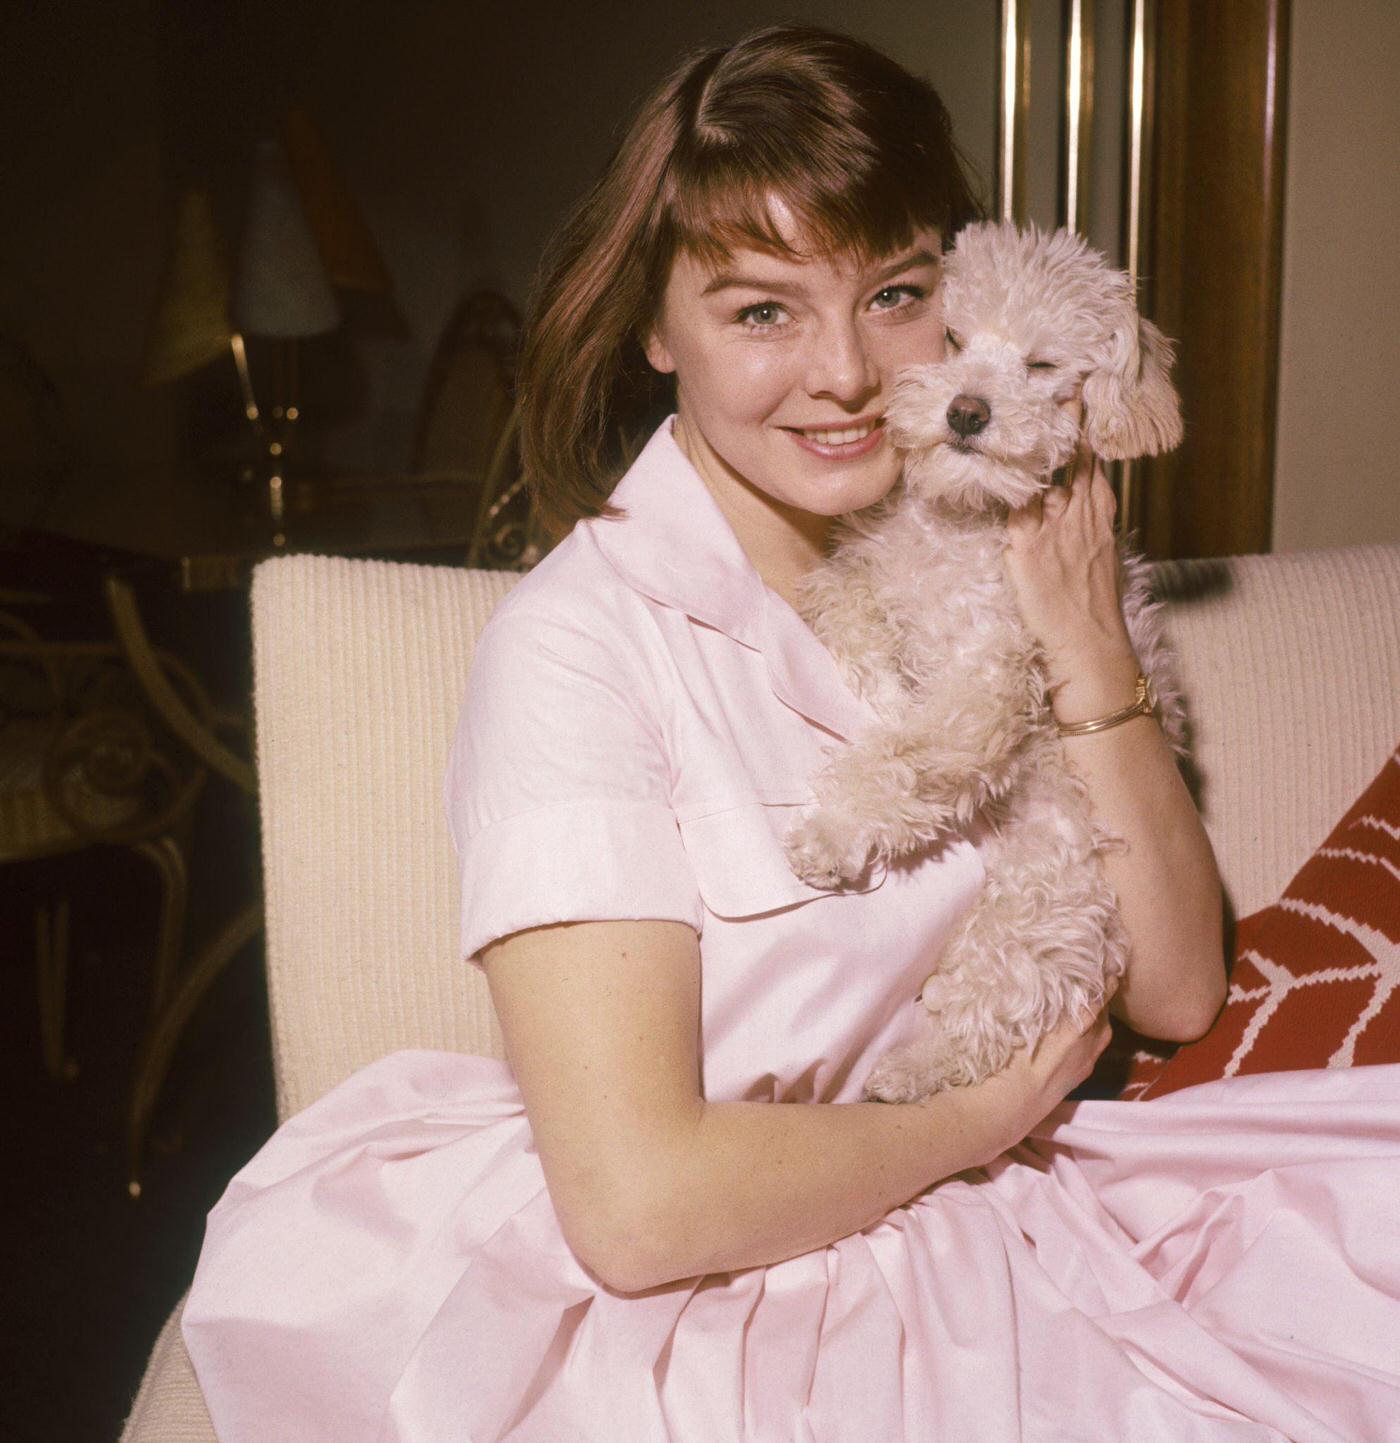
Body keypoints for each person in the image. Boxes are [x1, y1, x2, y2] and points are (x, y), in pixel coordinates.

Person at [182, 24, 1400, 1442]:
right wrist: (984, 1123)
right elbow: (640, 1212)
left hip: (987, 1219)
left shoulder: (978, 555)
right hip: (713, 1279)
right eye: (760, 312)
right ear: (656, 328)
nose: (841, 374)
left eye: (894, 294)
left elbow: (1183, 993)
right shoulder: (574, 652)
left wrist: (1086, 648)